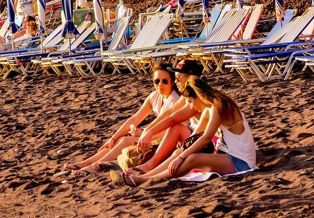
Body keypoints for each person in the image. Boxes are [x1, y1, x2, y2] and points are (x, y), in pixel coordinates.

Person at [114, 77, 257, 186]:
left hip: (240, 161)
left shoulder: (218, 106)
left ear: (199, 96)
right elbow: (195, 137)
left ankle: (146, 179)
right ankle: (147, 174)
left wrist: (182, 157)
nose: (191, 106)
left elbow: (206, 137)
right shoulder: (210, 108)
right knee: (182, 151)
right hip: (225, 154)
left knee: (191, 158)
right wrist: (181, 151)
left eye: (190, 101)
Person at [62, 65, 188, 174]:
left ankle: (93, 167)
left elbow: (171, 131)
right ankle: (85, 163)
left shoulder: (175, 100)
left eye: (164, 81)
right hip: (155, 135)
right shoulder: (154, 96)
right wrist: (113, 138)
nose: (160, 85)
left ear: (172, 82)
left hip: (169, 140)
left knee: (125, 140)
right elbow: (135, 118)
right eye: (157, 81)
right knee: (117, 141)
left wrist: (143, 133)